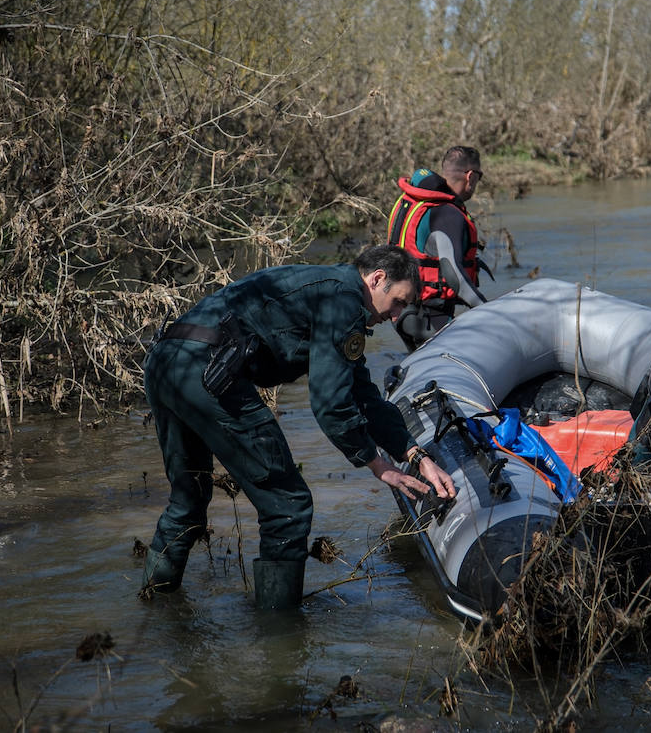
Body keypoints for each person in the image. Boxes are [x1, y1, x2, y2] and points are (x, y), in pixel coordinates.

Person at [141, 244, 457, 607]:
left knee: (189, 499)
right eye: (399, 301)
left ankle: (155, 606)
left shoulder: (328, 288)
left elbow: (361, 394)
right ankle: (279, 638)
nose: (397, 315)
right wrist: (378, 466)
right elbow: (330, 404)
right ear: (377, 279)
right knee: (287, 506)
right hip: (209, 374)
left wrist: (414, 453)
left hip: (166, 363)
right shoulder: (343, 301)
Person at [387, 146, 489, 350]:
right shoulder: (447, 214)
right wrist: (489, 311)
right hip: (429, 317)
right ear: (470, 176)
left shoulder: (413, 199)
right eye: (479, 176)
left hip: (401, 312)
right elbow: (455, 276)